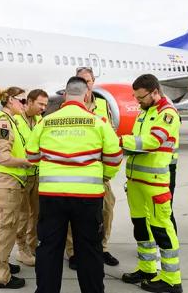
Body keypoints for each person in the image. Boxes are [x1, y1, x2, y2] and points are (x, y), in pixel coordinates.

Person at [27, 76, 122, 293]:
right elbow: (115, 157)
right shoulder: (99, 122)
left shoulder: (46, 121)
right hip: (88, 198)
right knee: (89, 249)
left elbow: (31, 156)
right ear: (87, 95)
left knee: (49, 248)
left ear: (65, 95)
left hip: (51, 197)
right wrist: (103, 177)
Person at [120, 74, 182, 293]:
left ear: (155, 92)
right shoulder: (144, 113)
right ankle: (147, 269)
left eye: (141, 97)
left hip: (155, 183)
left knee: (162, 228)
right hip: (136, 181)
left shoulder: (167, 114)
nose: (138, 101)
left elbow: (153, 141)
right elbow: (137, 143)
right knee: (141, 226)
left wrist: (119, 141)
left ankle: (171, 279)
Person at [66, 67, 119, 269]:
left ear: (93, 82)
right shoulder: (67, 104)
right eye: (81, 80)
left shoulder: (103, 104)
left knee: (107, 208)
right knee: (73, 215)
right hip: (76, 169)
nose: (86, 85)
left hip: (99, 169)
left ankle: (102, 248)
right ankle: (73, 252)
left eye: (88, 81)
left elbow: (111, 133)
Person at [0, 86, 32, 289]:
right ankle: (1, 276)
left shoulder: (11, 121)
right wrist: (26, 162)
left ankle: (0, 265)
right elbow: (3, 157)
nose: (25, 104)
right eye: (22, 101)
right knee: (6, 231)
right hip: (6, 184)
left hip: (7, 183)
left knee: (5, 229)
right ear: (10, 101)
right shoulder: (4, 123)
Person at [13, 89, 48, 267]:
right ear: (30, 102)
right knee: (23, 215)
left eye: (45, 105)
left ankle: (32, 246)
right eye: (40, 104)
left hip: (37, 174)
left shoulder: (40, 120)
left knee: (37, 215)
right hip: (22, 176)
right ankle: (22, 249)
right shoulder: (16, 120)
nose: (43, 108)